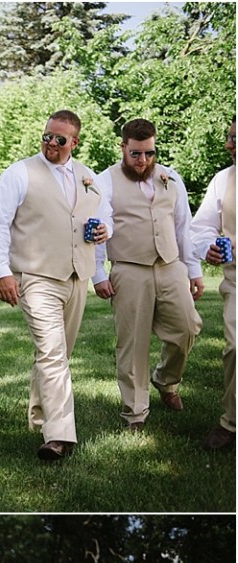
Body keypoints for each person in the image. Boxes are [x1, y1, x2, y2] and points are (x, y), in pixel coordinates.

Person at [0, 110, 112, 460]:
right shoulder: (18, 173)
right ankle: (58, 436)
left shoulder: (88, 176)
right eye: (46, 136)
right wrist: (2, 272)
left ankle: (40, 414)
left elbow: (105, 215)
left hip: (77, 276)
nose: (50, 144)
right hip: (36, 277)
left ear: (75, 142)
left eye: (59, 139)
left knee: (57, 353)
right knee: (53, 351)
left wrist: (106, 231)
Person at [94, 118, 203, 429]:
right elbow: (95, 228)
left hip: (170, 266)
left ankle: (166, 380)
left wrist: (193, 270)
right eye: (136, 154)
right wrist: (98, 274)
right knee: (133, 343)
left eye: (149, 154)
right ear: (123, 148)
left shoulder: (171, 178)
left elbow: (183, 227)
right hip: (129, 269)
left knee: (188, 328)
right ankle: (135, 413)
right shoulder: (105, 182)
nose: (143, 161)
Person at [190, 120, 236, 450]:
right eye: (230, 137)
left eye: (236, 138)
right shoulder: (223, 180)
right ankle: (231, 423)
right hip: (237, 280)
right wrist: (208, 246)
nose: (229, 145)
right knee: (236, 348)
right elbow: (201, 227)